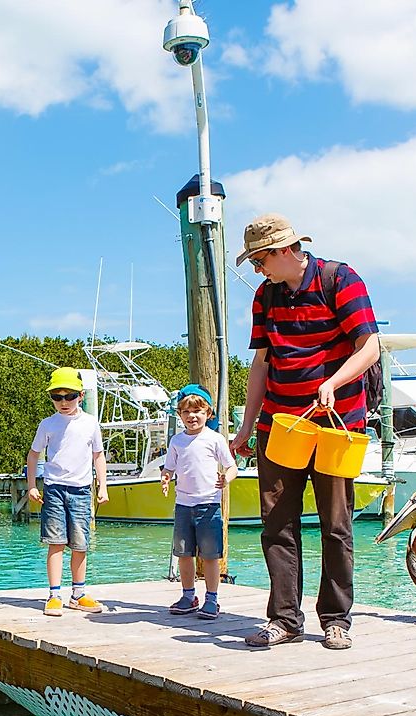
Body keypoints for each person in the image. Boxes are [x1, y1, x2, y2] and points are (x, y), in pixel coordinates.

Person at [230, 213, 379, 651]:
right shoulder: (265, 297)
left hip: (336, 427)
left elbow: (369, 346)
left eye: (260, 261)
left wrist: (332, 383)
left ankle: (335, 619)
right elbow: (261, 364)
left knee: (336, 525)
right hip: (278, 425)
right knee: (276, 524)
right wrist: (245, 426)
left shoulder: (341, 280)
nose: (258, 270)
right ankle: (284, 620)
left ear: (284, 251)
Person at [27, 367, 109, 617]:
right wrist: (32, 484)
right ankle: (54, 594)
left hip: (82, 490)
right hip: (53, 489)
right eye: (57, 397)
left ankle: (78, 593)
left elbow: (98, 455)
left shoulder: (90, 423)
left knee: (80, 544)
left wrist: (102, 486)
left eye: (70, 396)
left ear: (81, 396)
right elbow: (33, 454)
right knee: (56, 543)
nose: (64, 402)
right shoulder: (47, 424)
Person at [161, 384, 236, 620]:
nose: (192, 416)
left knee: (210, 555)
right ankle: (188, 595)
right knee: (184, 554)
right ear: (180, 415)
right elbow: (169, 467)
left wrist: (227, 479)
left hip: (209, 505)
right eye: (186, 412)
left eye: (198, 411)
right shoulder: (177, 441)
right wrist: (165, 478)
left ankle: (212, 599)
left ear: (208, 414)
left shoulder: (214, 439)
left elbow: (232, 466)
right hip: (183, 505)